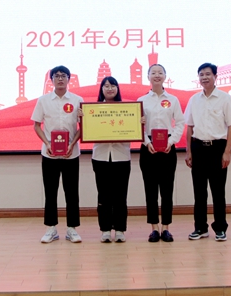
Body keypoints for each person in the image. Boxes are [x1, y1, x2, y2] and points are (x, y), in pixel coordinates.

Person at [184, 62, 231, 242]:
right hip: (198, 148)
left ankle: (220, 228)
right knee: (199, 192)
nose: (204, 77)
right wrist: (188, 151)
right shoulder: (194, 100)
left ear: (215, 76)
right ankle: (200, 228)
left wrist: (227, 151)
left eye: (208, 74)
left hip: (217, 148)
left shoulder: (225, 98)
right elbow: (189, 127)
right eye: (201, 74)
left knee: (218, 191)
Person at [31, 65, 83, 244]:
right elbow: (36, 125)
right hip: (49, 154)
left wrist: (72, 144)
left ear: (69, 79)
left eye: (63, 76)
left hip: (71, 154)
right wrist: (47, 143)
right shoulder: (43, 100)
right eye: (57, 76)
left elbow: (83, 127)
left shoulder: (77, 100)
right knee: (50, 192)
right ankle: (51, 228)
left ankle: (72, 229)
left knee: (72, 192)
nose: (60, 78)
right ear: (51, 79)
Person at [138, 63, 184, 243]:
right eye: (153, 73)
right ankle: (154, 229)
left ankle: (166, 228)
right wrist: (146, 142)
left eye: (160, 72)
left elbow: (180, 123)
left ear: (165, 76)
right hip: (148, 148)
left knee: (167, 190)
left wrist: (171, 142)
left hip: (167, 148)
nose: (157, 75)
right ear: (148, 77)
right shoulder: (142, 100)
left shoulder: (173, 100)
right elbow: (138, 125)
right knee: (150, 190)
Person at [91, 76, 131, 243]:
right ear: (101, 89)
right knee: (104, 196)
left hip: (121, 156)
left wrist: (139, 122)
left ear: (117, 89)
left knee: (120, 195)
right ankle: (105, 229)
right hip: (100, 157)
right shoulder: (92, 110)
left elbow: (133, 129)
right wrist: (82, 119)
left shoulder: (128, 110)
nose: (109, 89)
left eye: (113, 85)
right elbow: (88, 130)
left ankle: (120, 229)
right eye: (106, 86)